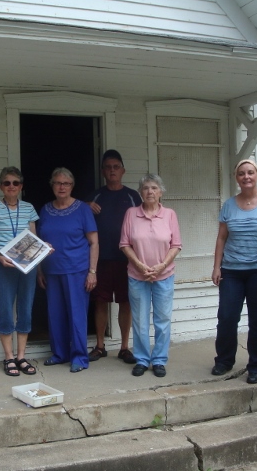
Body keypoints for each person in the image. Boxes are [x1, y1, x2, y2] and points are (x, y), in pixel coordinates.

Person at [211, 159, 257, 384]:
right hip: (232, 270)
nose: (246, 177)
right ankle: (224, 360)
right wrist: (217, 266)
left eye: (250, 173)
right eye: (242, 173)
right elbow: (222, 237)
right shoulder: (229, 205)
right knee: (226, 317)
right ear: (237, 177)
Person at [120, 174, 181, 377]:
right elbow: (125, 244)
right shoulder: (131, 213)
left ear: (160, 192)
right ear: (140, 192)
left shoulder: (170, 214)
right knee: (139, 320)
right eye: (146, 188)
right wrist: (139, 265)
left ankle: (159, 360)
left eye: (154, 188)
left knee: (162, 320)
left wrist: (161, 266)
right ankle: (142, 359)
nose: (150, 192)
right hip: (137, 276)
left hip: (164, 275)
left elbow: (176, 245)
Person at [38, 167, 98, 373]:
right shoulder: (45, 210)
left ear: (72, 186)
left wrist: (92, 271)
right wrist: (39, 271)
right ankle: (59, 353)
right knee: (55, 315)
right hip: (51, 270)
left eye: (66, 183)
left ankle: (80, 357)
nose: (61, 187)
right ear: (52, 185)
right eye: (57, 183)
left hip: (77, 270)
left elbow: (94, 242)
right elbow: (37, 243)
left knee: (76, 315)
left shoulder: (82, 209)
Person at [86, 150, 141, 364]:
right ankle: (100, 346)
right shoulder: (94, 197)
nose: (112, 171)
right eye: (108, 167)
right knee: (100, 301)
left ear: (123, 170)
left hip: (127, 258)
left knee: (125, 302)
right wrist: (84, 205)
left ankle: (125, 347)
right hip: (101, 259)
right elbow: (77, 216)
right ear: (102, 171)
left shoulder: (133, 196)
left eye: (116, 167)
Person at [0, 167, 39, 377]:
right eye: (7, 183)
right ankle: (8, 357)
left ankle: (21, 356)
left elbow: (34, 238)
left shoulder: (29, 208)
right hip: (3, 265)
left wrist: (43, 250)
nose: (12, 187)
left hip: (27, 265)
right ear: (1, 187)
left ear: (21, 186)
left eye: (16, 183)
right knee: (5, 310)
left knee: (25, 308)